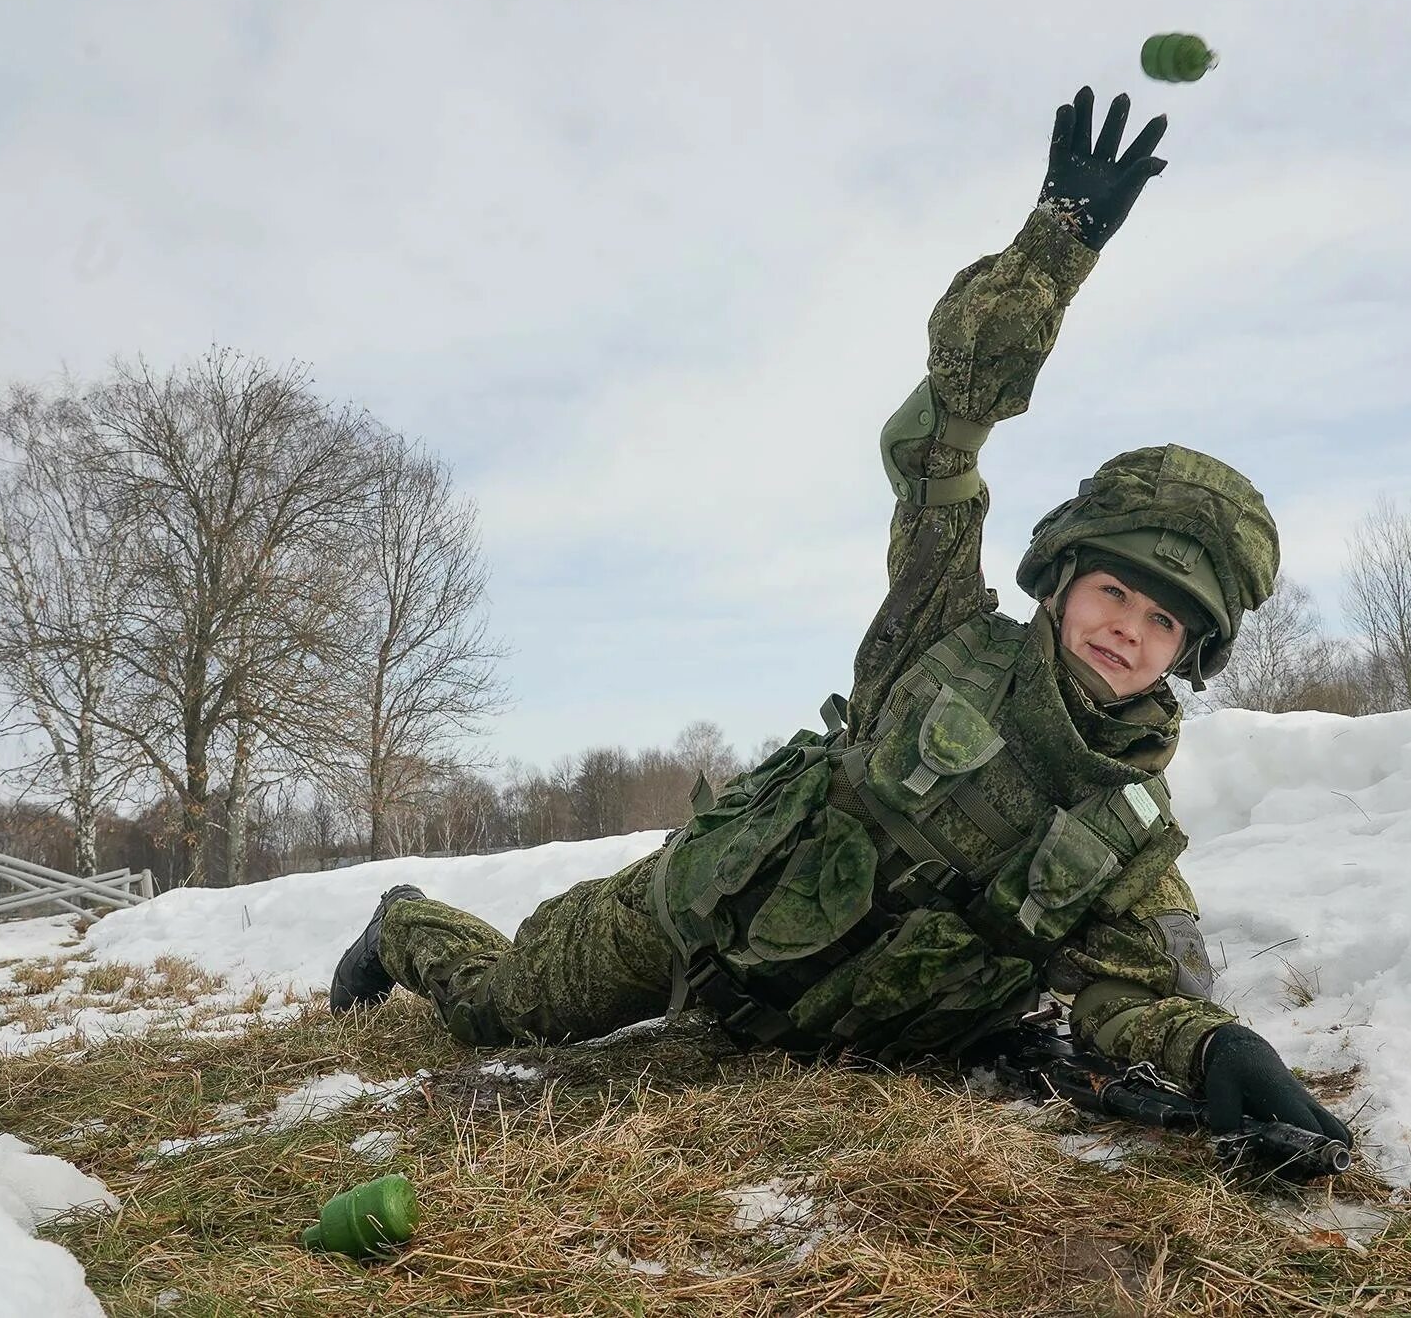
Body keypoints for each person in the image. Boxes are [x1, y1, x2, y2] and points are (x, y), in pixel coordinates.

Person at [330, 87, 1351, 1150]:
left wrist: (1220, 1053)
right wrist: (1055, 247)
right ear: (1058, 584)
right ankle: (401, 919)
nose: (1125, 630)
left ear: (1189, 653)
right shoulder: (942, 629)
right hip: (686, 917)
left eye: (1161, 623)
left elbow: (1127, 1000)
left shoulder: (1125, 837)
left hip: (807, 1033)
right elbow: (940, 438)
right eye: (1112, 593)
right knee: (499, 1014)